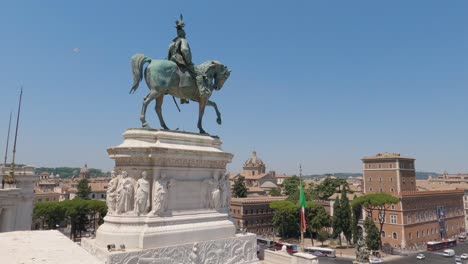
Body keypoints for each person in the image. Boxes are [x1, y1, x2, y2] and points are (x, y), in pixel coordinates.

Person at [167, 14, 207, 104]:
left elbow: (168, 55)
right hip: (182, 62)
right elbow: (185, 50)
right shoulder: (183, 40)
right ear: (181, 33)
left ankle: (183, 98)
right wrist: (189, 61)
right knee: (199, 73)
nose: (185, 33)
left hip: (173, 63)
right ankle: (202, 92)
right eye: (184, 32)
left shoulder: (171, 44)